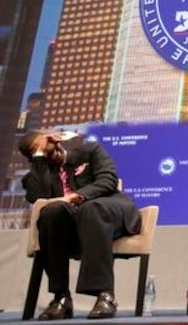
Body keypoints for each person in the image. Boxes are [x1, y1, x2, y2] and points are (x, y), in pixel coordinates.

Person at [18, 129, 143, 320]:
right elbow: (38, 198)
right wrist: (39, 157)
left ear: (57, 142)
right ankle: (61, 298)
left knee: (89, 208)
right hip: (73, 224)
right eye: (40, 151)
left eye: (47, 146)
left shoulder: (90, 151)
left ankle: (105, 294)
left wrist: (79, 196)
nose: (48, 152)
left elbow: (108, 180)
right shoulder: (34, 177)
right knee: (51, 213)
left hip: (109, 209)